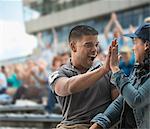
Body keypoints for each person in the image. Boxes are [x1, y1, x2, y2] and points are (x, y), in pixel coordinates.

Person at [49, 25, 118, 129]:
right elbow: (67, 87)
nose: (94, 49)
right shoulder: (59, 73)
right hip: (72, 126)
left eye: (96, 45)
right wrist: (103, 70)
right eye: (88, 45)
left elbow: (118, 103)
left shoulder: (108, 70)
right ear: (73, 46)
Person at [90, 23, 150, 129]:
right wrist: (99, 124)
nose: (133, 48)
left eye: (135, 43)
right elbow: (122, 101)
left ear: (146, 45)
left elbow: (137, 100)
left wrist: (115, 69)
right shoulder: (139, 68)